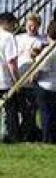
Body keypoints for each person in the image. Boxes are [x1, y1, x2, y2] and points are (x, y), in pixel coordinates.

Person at [0, 12, 20, 142]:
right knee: (8, 111)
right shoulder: (8, 37)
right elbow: (11, 62)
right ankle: (7, 135)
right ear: (7, 23)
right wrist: (16, 80)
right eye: (13, 24)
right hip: (4, 80)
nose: (14, 27)